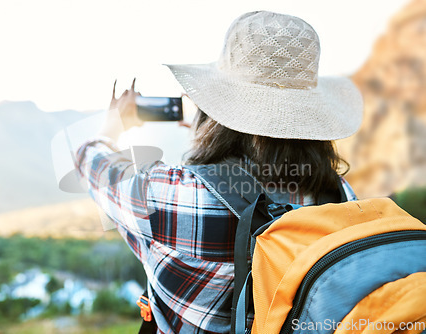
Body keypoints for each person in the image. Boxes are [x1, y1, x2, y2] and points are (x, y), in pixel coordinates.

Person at [76, 10, 363, 334]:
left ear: (219, 109)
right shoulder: (340, 196)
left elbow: (91, 159)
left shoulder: (171, 196)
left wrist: (112, 128)